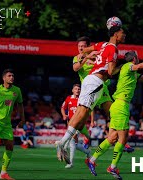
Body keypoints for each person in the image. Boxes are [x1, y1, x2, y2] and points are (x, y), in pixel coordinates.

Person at [85, 50, 143, 178]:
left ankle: (92, 160)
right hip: (121, 106)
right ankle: (112, 167)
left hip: (117, 106)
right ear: (134, 59)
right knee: (123, 139)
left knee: (112, 138)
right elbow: (140, 66)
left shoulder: (132, 73)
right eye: (138, 57)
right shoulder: (127, 66)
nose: (139, 59)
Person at [56, 26, 126, 162]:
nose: (125, 35)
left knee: (82, 116)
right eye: (123, 33)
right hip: (95, 82)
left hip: (93, 83)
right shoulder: (112, 48)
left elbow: (90, 48)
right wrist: (122, 67)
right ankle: (62, 142)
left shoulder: (104, 45)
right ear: (116, 34)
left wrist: (91, 54)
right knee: (82, 113)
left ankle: (63, 142)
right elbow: (111, 72)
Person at [73, 36, 134, 152]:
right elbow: (75, 68)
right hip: (88, 91)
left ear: (88, 47)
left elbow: (108, 68)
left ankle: (121, 141)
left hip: (101, 88)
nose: (81, 48)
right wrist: (86, 59)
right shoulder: (77, 58)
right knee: (79, 119)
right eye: (79, 46)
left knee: (113, 113)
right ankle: (72, 141)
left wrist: (120, 67)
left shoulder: (98, 56)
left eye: (84, 46)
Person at [60, 84, 91, 168]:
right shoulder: (68, 98)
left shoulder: (82, 99)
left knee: (72, 142)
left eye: (79, 89)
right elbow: (62, 108)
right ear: (72, 90)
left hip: (79, 123)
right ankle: (87, 152)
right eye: (76, 89)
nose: (77, 90)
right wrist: (64, 115)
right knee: (73, 143)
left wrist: (91, 121)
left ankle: (71, 163)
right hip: (70, 123)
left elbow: (89, 110)